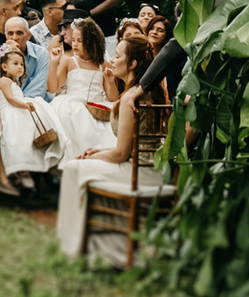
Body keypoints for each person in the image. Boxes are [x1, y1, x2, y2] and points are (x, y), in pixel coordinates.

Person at [56, 82, 170, 264]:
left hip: (138, 172)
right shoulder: (154, 90)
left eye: (117, 56)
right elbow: (131, 147)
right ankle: (109, 248)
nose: (113, 61)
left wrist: (90, 158)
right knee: (87, 168)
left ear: (132, 63)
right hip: (156, 169)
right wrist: (98, 153)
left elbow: (120, 154)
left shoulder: (130, 97)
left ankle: (72, 249)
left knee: (73, 168)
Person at [46, 18, 113, 162]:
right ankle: (75, 158)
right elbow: (52, 88)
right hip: (73, 103)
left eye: (80, 41)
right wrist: (53, 63)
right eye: (74, 40)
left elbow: (112, 97)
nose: (75, 44)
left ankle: (96, 158)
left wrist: (110, 80)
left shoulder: (103, 64)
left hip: (97, 106)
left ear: (92, 41)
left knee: (108, 129)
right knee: (77, 115)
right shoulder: (69, 61)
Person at [0, 47, 58, 187]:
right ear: (4, 67)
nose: (20, 67)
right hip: (11, 113)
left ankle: (28, 169)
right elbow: (10, 99)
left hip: (18, 111)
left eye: (22, 64)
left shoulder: (14, 82)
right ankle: (20, 170)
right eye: (15, 63)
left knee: (27, 137)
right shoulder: (4, 81)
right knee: (17, 139)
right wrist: (25, 105)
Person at [0, 15, 49, 101]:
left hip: (36, 102)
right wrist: (12, 54)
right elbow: (9, 87)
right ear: (5, 35)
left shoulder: (42, 53)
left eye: (19, 33)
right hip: (11, 102)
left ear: (28, 36)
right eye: (10, 33)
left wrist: (24, 104)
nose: (14, 37)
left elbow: (39, 88)